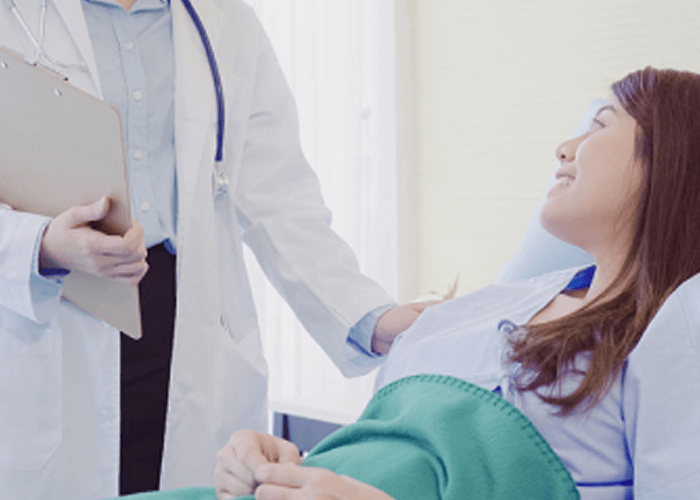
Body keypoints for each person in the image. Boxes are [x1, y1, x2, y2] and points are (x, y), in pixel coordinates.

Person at [209, 67, 700, 500]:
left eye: (599, 123)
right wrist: (278, 462)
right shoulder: (488, 305)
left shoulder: (674, 331)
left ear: (672, 155)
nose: (565, 147)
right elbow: (378, 452)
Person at [0, 1, 426, 499]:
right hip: (48, 315)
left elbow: (278, 194)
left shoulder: (222, 18)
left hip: (190, 329)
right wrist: (40, 245)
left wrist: (368, 318)